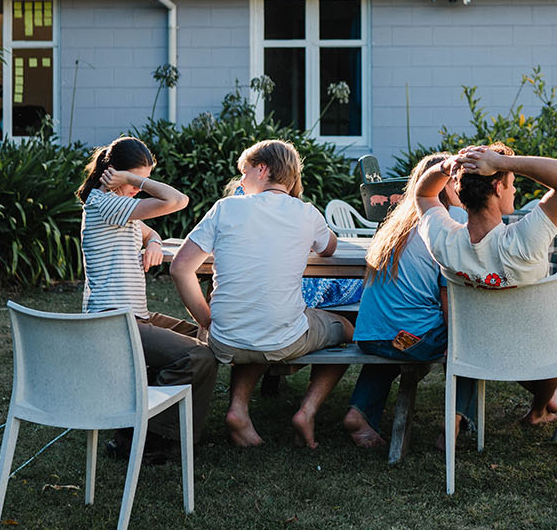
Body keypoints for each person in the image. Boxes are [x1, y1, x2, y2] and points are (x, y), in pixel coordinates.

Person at [169, 139, 353, 449]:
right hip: (283, 339)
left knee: (254, 321)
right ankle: (307, 411)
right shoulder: (306, 213)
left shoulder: (225, 208)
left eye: (244, 171)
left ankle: (239, 411)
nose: (240, 180)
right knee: (349, 326)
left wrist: (207, 319)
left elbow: (180, 268)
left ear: (262, 169)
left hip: (224, 339)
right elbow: (330, 247)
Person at [416, 142, 557, 426]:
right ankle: (541, 407)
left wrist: (449, 165)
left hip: (475, 355)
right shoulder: (524, 241)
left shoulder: (444, 242)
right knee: (543, 346)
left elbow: (422, 192)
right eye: (511, 183)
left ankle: (541, 403)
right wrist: (502, 163)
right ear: (497, 188)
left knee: (511, 342)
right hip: (540, 358)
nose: (515, 189)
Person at [76, 136, 217, 461]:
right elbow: (178, 200)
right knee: (200, 358)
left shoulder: (118, 208)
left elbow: (148, 231)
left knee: (199, 333)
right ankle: (151, 436)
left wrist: (153, 241)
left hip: (134, 317)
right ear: (113, 173)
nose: (139, 189)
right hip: (114, 323)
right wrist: (134, 180)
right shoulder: (104, 203)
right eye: (134, 180)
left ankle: (136, 424)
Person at [342, 153, 479, 449]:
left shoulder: (394, 223)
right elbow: (448, 297)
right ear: (447, 185)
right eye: (458, 182)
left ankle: (359, 412)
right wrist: (460, 334)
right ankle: (453, 423)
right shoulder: (449, 222)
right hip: (412, 337)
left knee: (395, 340)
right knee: (470, 339)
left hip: (370, 334)